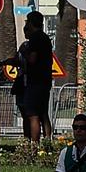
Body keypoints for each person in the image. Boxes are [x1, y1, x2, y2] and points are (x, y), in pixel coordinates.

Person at [14, 10, 55, 146]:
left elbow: (32, 59)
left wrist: (24, 52)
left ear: (31, 23)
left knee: (33, 115)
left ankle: (34, 145)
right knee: (43, 113)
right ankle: (48, 140)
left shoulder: (35, 39)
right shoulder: (45, 38)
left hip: (35, 81)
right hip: (45, 80)